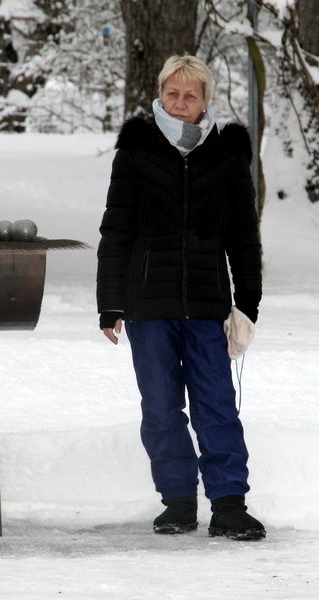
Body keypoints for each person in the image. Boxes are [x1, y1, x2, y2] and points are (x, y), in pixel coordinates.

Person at [96, 55, 265, 540]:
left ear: (205, 101)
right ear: (160, 95)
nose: (181, 103)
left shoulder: (227, 154)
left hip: (208, 305)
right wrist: (111, 302)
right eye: (173, 93)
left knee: (217, 402)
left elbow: (243, 236)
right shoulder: (136, 150)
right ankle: (178, 500)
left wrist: (247, 304)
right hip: (148, 305)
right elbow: (117, 231)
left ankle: (230, 503)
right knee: (161, 405)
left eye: (191, 95)